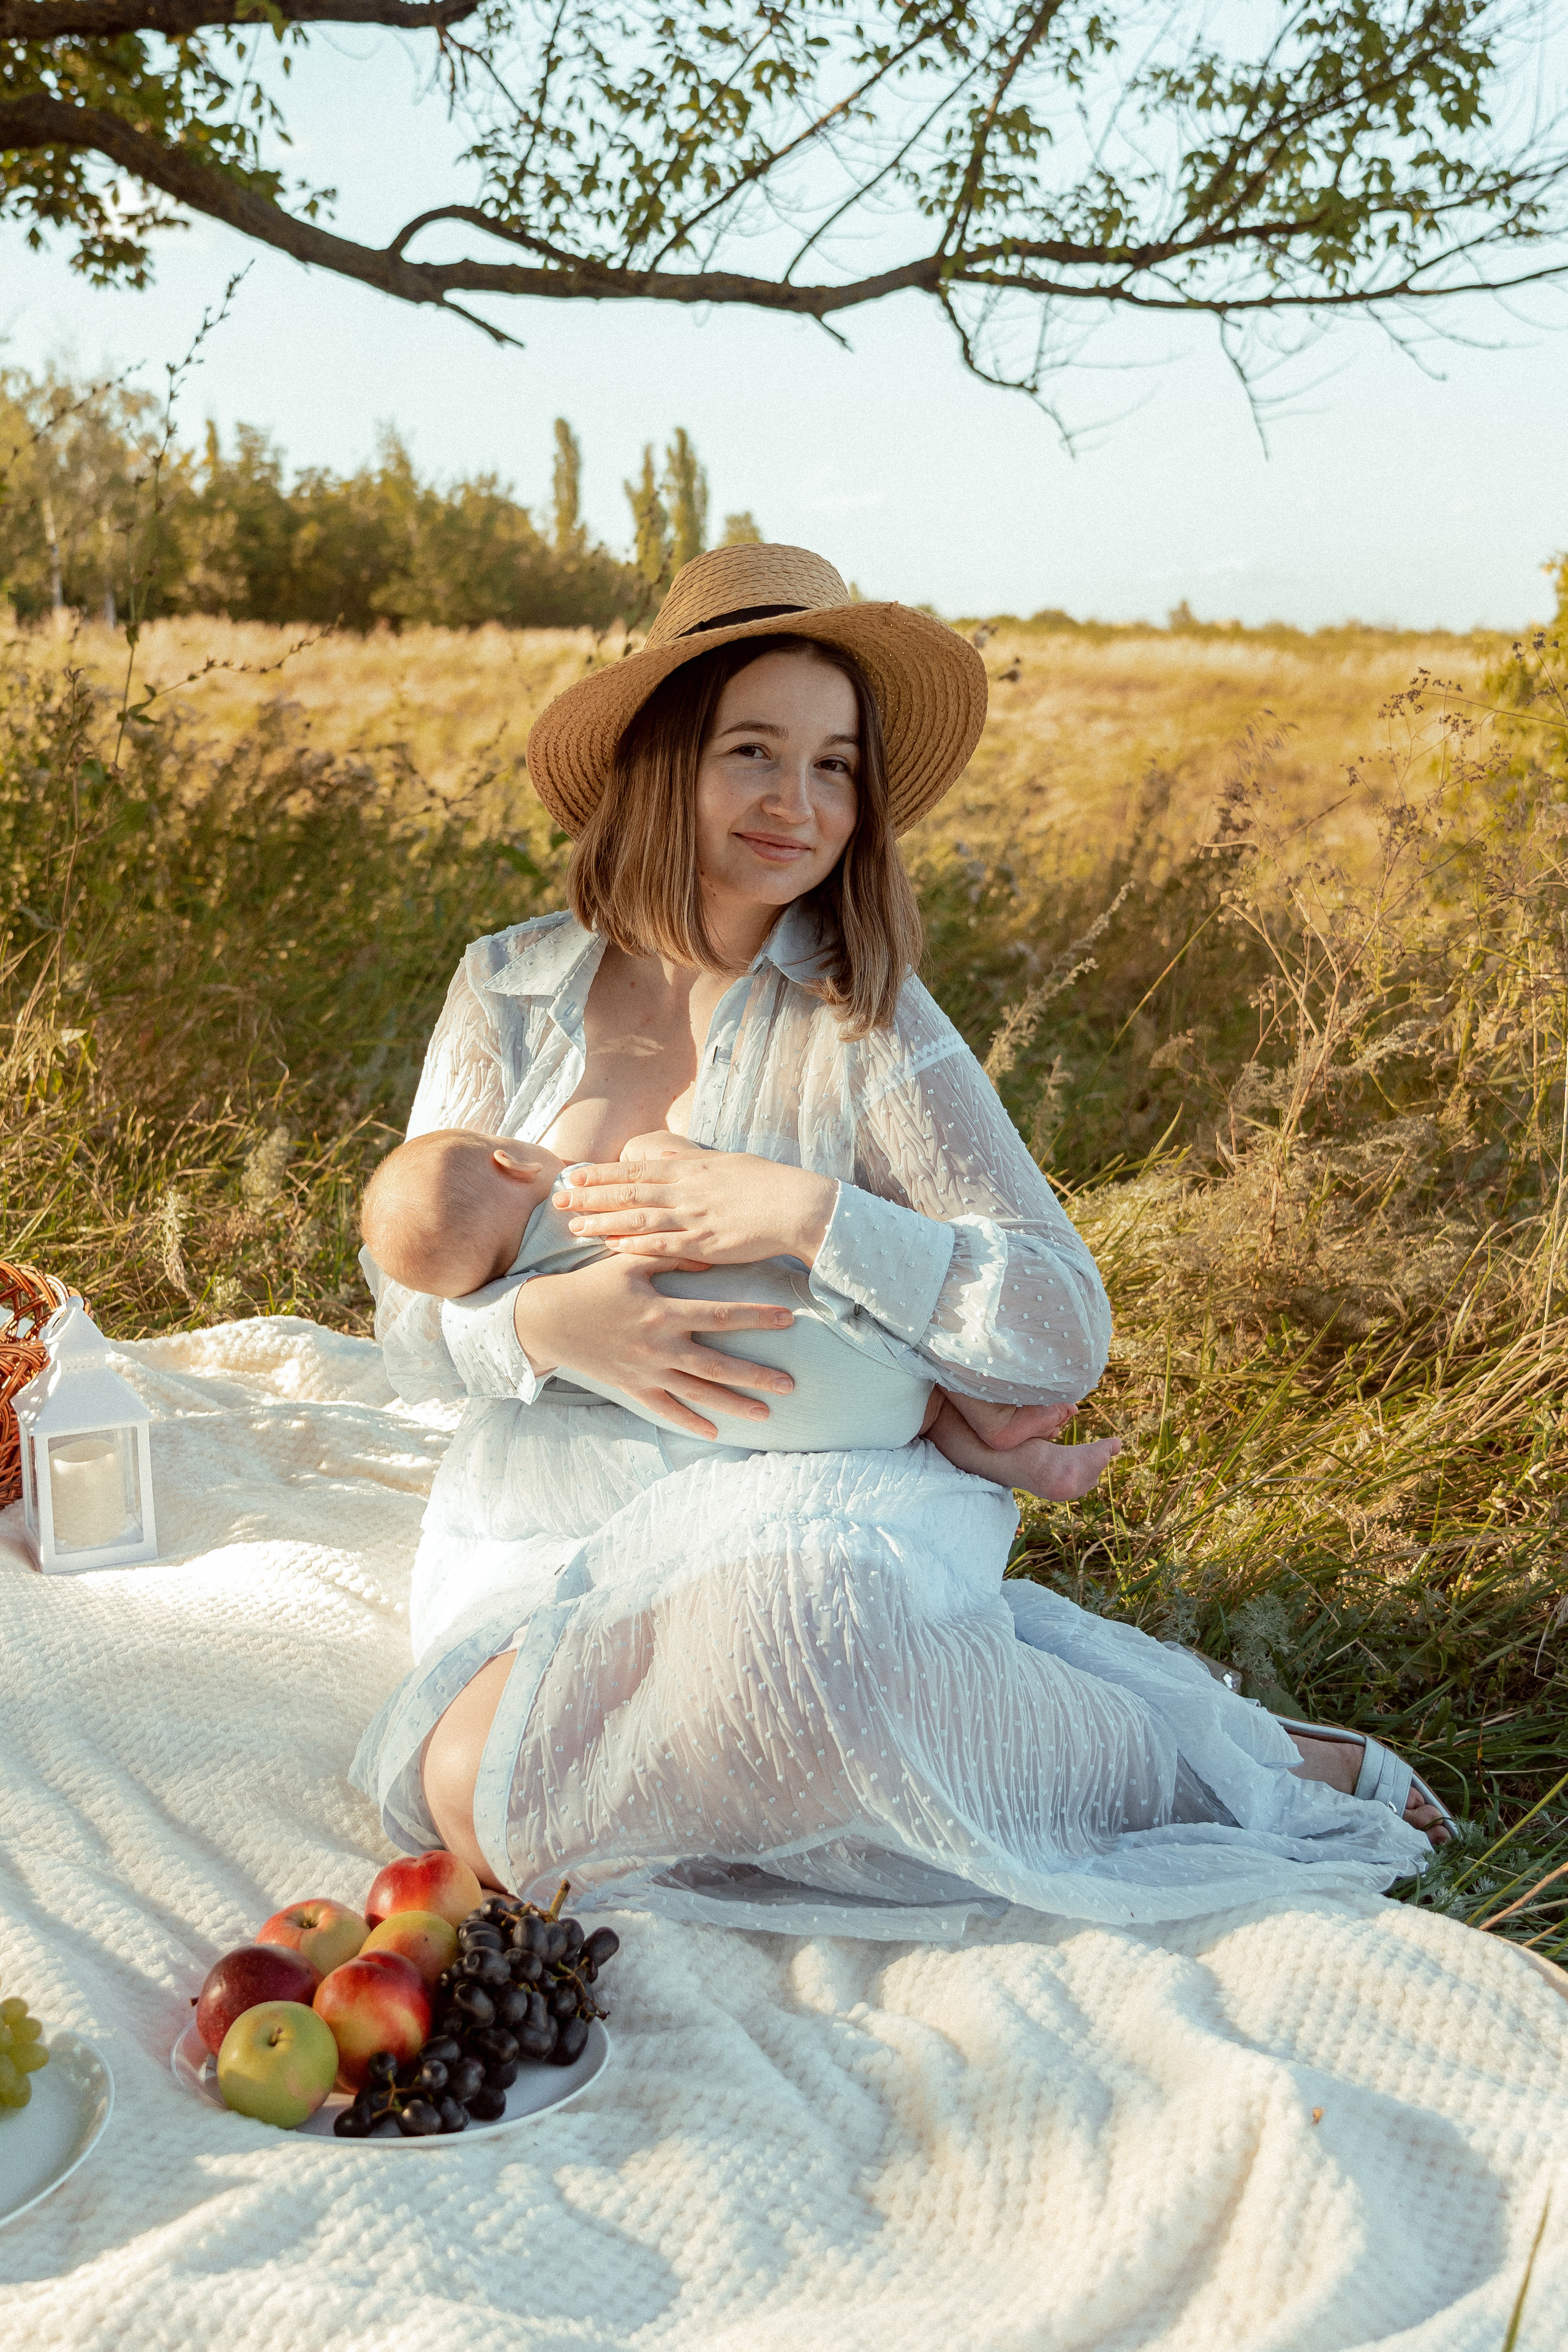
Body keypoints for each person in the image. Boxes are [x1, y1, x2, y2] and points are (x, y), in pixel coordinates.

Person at [353, 541, 1446, 1942]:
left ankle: (1227, 1760)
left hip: (809, 1516)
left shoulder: (868, 1020)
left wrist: (803, 1212)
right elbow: (402, 1307)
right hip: (547, 1514)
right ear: (660, 762)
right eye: (752, 750)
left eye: (833, 765)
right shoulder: (505, 986)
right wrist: (536, 1330)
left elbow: (1059, 1321)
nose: (795, 801)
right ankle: (964, 1698)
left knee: (787, 1657)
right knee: (484, 1803)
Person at [360, 1121, 1122, 1497]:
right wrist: (658, 1145)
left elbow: (440, 1343)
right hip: (837, 1347)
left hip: (781, 1429)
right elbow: (667, 1159)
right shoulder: (584, 1192)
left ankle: (1000, 1451)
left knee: (890, 1403)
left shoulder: (502, 1296)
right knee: (855, 1300)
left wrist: (528, 1322)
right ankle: (988, 1416)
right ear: (513, 1161)